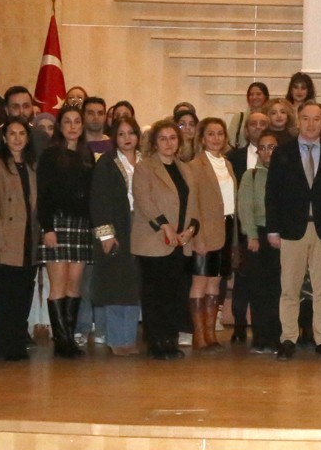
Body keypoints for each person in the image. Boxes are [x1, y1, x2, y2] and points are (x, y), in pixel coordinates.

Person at [264, 101, 321, 361]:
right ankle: (288, 338)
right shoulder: (283, 152)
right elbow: (272, 194)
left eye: (316, 119)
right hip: (291, 229)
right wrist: (272, 229)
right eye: (306, 118)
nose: (311, 124)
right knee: (290, 288)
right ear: (298, 121)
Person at [133, 121, 209, 359]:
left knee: (175, 294)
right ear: (154, 143)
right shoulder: (144, 168)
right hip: (153, 240)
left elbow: (194, 203)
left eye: (173, 138)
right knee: (155, 294)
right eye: (163, 138)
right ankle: (156, 342)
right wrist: (165, 226)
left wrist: (191, 230)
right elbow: (143, 200)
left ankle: (169, 340)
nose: (168, 143)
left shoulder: (185, 168)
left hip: (180, 242)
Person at [36, 107, 95, 359]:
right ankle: (61, 341)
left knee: (75, 284)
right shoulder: (50, 155)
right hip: (57, 224)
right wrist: (48, 228)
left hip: (81, 225)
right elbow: (43, 194)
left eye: (77, 122)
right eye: (67, 122)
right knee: (58, 286)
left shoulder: (87, 155)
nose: (72, 126)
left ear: (82, 126)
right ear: (60, 127)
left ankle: (69, 337)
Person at [0, 118, 40, 361]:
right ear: (4, 138)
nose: (17, 138)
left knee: (23, 294)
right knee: (5, 296)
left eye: (21, 133)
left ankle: (18, 343)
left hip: (29, 238)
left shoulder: (32, 166)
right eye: (12, 134)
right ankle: (4, 346)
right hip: (4, 239)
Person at [88, 116, 144, 356]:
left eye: (131, 133)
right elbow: (98, 201)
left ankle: (129, 339)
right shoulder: (106, 163)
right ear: (114, 138)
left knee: (134, 285)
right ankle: (116, 339)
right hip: (117, 227)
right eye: (121, 134)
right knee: (115, 284)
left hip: (142, 228)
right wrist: (106, 235)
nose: (127, 138)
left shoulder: (146, 161)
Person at [188, 117, 237, 351]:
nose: (216, 138)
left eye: (220, 133)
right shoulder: (195, 165)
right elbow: (192, 204)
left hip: (226, 228)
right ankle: (199, 335)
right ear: (202, 138)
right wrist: (197, 237)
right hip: (204, 231)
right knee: (200, 282)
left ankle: (211, 334)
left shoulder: (227, 163)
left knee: (215, 284)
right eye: (211, 134)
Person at [235, 128, 283, 352]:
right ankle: (261, 338)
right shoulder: (251, 175)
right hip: (258, 238)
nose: (267, 152)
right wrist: (251, 235)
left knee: (280, 289)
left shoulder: (288, 174)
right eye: (262, 148)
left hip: (284, 238)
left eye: (271, 147)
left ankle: (279, 337)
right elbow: (244, 207)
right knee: (259, 290)